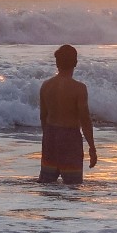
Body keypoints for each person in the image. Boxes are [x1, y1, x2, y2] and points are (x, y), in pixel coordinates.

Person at [38, 44, 98, 185]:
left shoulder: (46, 86)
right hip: (70, 140)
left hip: (50, 138)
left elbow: (43, 117)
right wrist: (92, 148)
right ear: (75, 63)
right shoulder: (79, 89)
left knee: (47, 187)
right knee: (73, 188)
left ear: (57, 63)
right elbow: (85, 120)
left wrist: (47, 139)